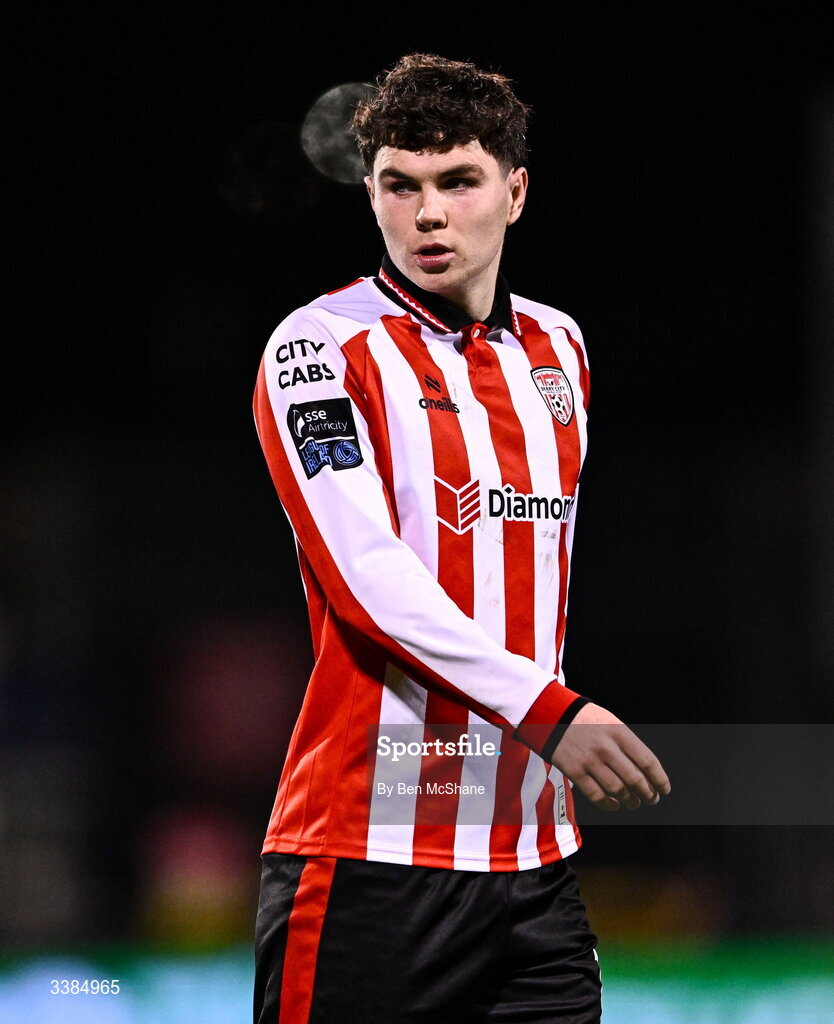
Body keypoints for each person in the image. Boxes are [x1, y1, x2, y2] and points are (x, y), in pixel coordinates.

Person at [252, 53, 670, 1024]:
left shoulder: (560, 349)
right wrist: (550, 708)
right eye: (401, 185)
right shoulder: (321, 348)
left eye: (458, 182)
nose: (427, 213)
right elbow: (365, 573)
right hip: (370, 855)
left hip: (533, 865)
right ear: (372, 195)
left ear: (514, 191)